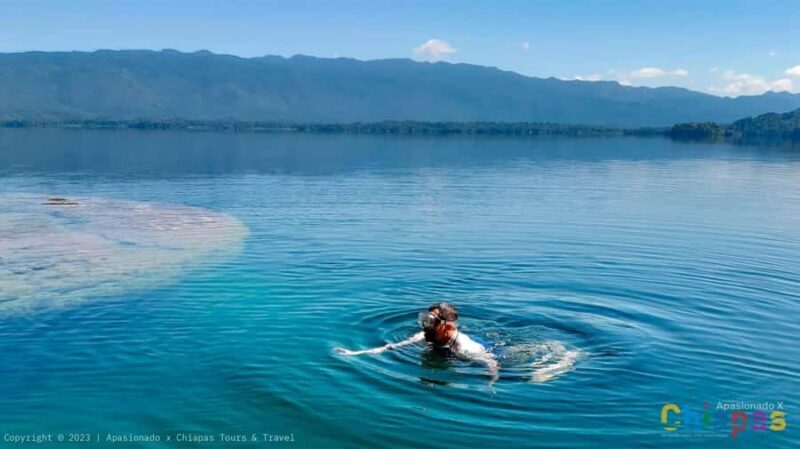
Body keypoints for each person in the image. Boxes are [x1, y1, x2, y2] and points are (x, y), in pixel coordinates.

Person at [335, 302, 499, 382]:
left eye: (430, 320)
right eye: (425, 319)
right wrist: (355, 353)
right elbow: (390, 347)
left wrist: (491, 381)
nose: (425, 324)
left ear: (447, 325)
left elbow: (491, 362)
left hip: (486, 350)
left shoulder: (465, 346)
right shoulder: (422, 336)